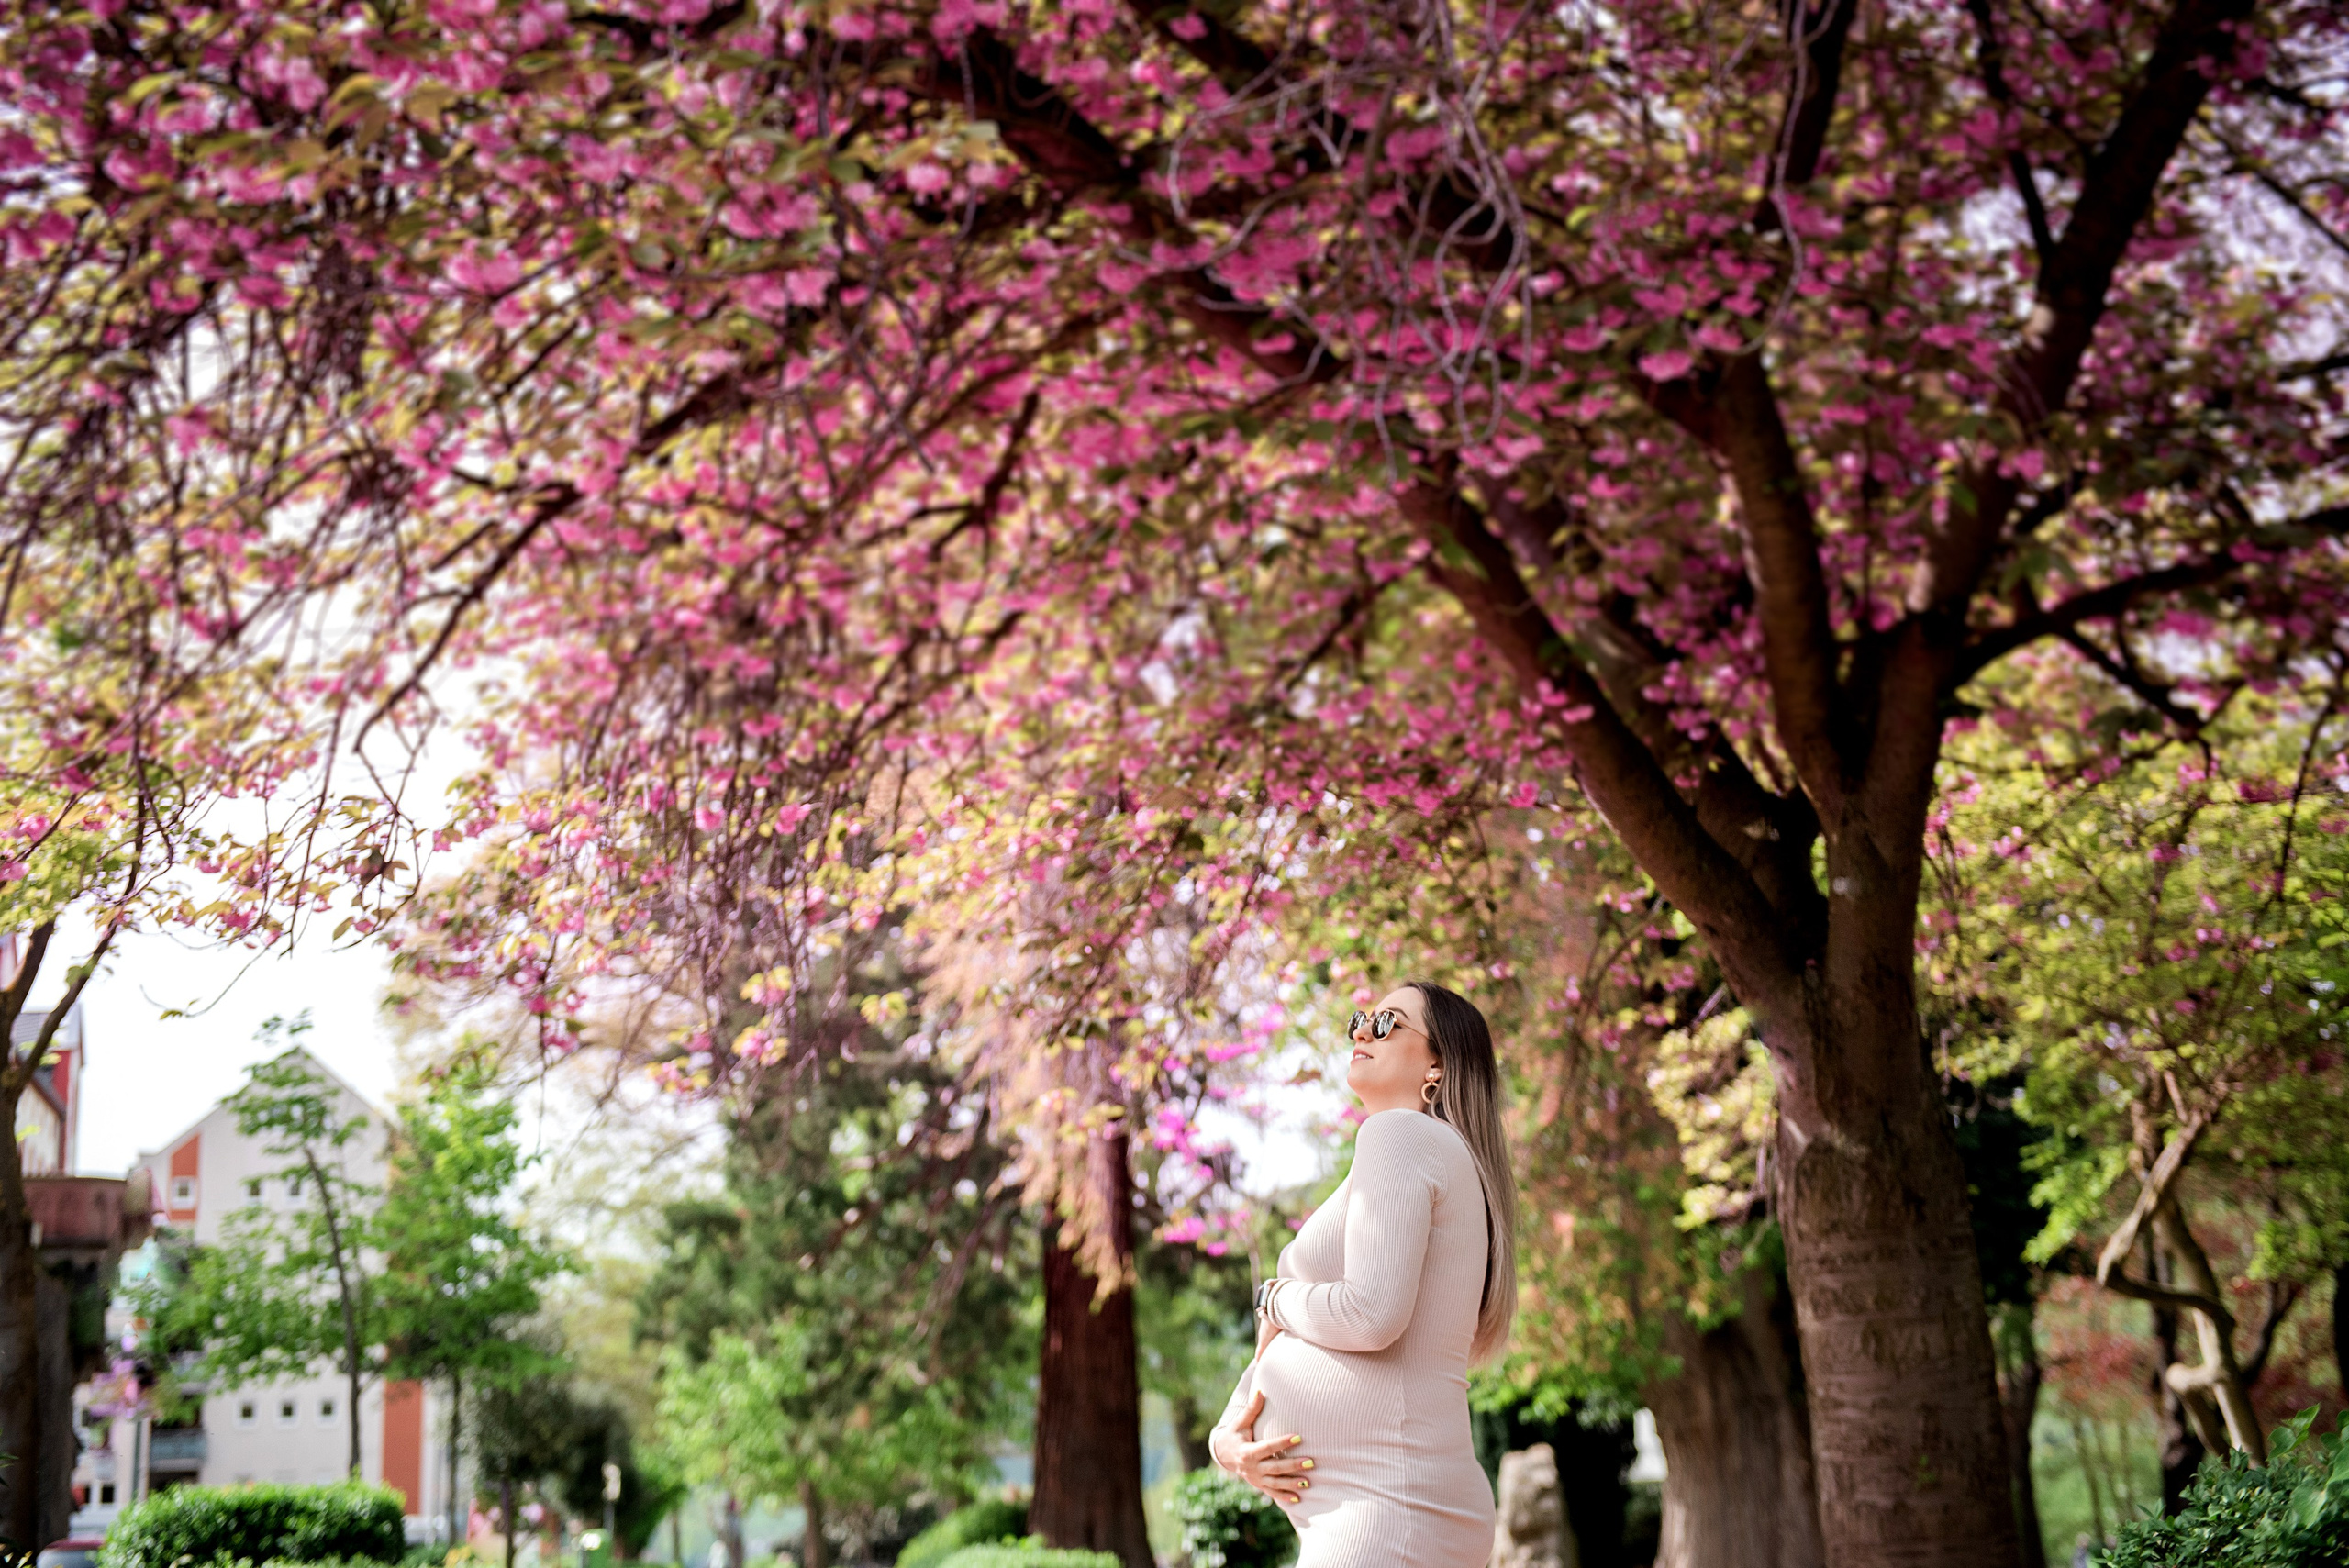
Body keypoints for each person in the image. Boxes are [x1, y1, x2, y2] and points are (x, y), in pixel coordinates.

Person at [1209, 979, 1520, 1568]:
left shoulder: (1401, 1133)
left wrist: (1274, 1296)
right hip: (1388, 1508)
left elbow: (1370, 1316)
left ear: (1437, 1064)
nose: (1362, 1032)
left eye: (1386, 1023)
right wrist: (1227, 1442)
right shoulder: (1422, 1152)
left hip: (1387, 1509)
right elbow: (1290, 1341)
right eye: (1360, 1019)